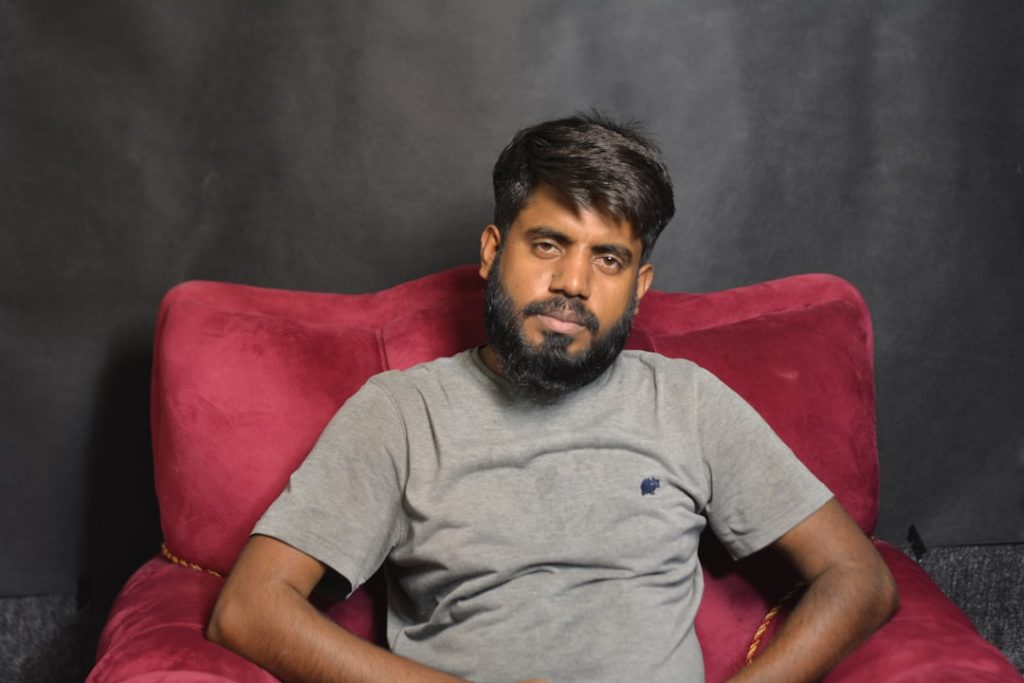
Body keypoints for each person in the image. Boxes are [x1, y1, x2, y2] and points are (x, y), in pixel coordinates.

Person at [206, 114, 898, 683]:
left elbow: (859, 577)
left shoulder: (688, 402)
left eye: (608, 259)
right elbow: (248, 608)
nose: (573, 282)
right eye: (548, 244)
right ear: (491, 251)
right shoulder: (402, 414)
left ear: (639, 285)